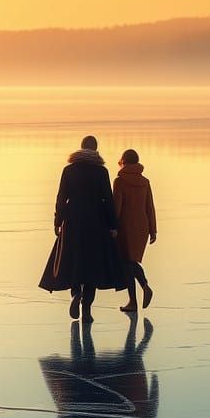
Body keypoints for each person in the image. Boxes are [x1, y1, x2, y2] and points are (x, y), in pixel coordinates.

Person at [40, 135, 126, 322]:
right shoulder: (101, 172)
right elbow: (108, 200)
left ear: (80, 148)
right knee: (92, 266)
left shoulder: (69, 170)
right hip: (96, 222)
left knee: (75, 261)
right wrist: (113, 225)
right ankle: (86, 310)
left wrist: (58, 221)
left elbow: (62, 197)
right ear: (96, 150)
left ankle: (75, 294)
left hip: (73, 221)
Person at [113, 148, 157, 313]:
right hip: (142, 227)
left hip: (125, 227)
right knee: (131, 262)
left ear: (123, 161)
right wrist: (153, 230)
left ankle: (140, 293)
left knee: (127, 263)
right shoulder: (145, 181)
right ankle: (141, 292)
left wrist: (113, 227)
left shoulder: (120, 181)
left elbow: (116, 207)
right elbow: (149, 207)